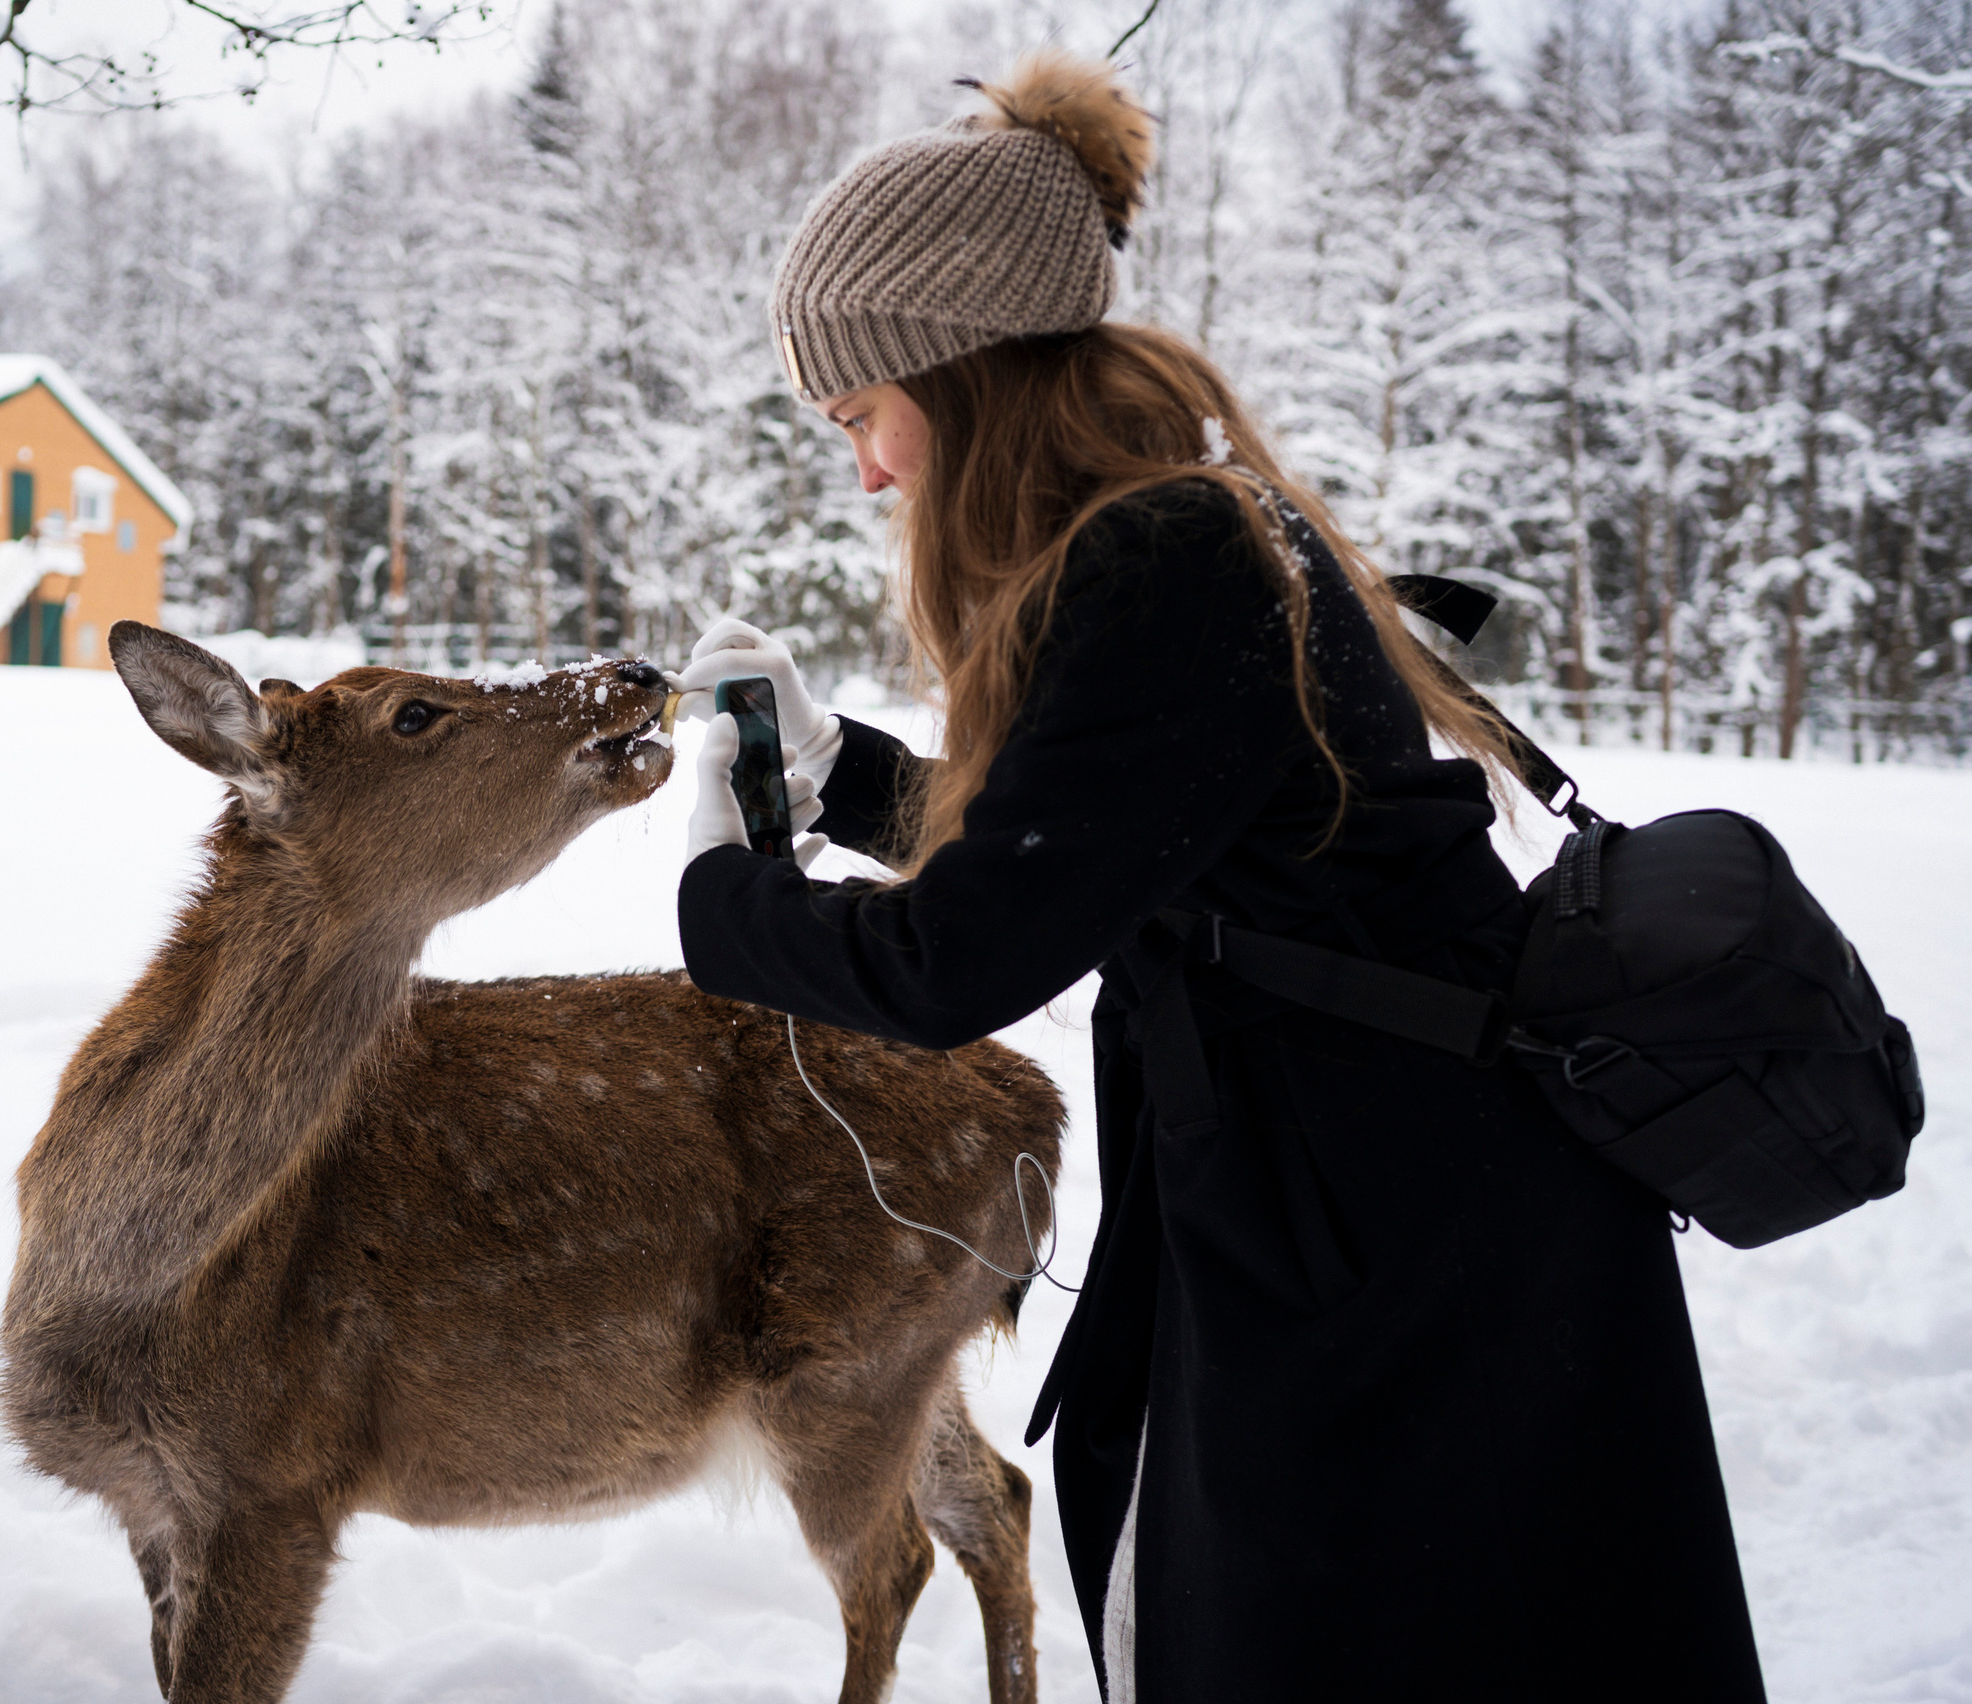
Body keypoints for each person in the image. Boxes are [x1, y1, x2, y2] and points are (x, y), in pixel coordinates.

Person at [666, 47, 1768, 1704]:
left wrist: (714, 895)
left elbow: (960, 963)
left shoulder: (1166, 554)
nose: (869, 472)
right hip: (1386, 1201)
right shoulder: (1187, 524)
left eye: (860, 415)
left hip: (1401, 1246)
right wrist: (852, 782)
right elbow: (1118, 853)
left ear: (956, 371)